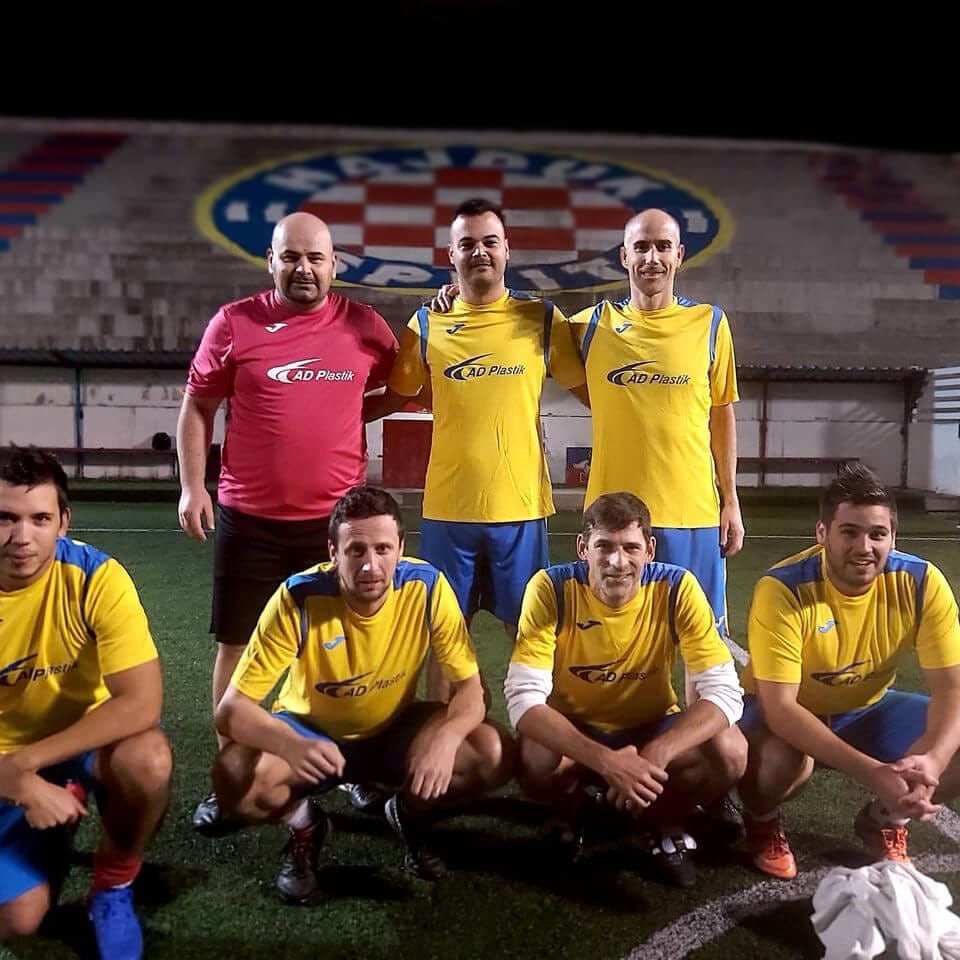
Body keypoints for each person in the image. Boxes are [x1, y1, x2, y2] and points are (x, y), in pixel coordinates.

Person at [177, 211, 399, 832]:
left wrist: (348, 409)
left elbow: (405, 386)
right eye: (291, 257)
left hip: (336, 529)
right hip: (248, 518)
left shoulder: (364, 326)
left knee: (341, 650)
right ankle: (236, 773)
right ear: (271, 261)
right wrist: (192, 486)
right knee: (237, 647)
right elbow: (197, 407)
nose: (304, 269)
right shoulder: (234, 323)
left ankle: (348, 768)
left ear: (335, 265)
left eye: (315, 258)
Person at [431, 207, 744, 640]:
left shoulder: (710, 324)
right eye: (641, 247)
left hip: (693, 514)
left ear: (679, 254)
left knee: (703, 642)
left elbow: (721, 413)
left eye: (662, 247)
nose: (651, 258)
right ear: (624, 256)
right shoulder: (589, 326)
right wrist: (457, 294)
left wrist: (731, 499)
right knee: (611, 642)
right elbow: (508, 317)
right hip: (613, 519)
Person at [210, 485, 514, 901]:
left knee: (490, 751)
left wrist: (445, 738)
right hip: (312, 733)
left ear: (400, 548)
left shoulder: (426, 587)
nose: (371, 565)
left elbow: (471, 690)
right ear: (333, 553)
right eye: (356, 550)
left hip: (393, 729)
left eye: (383, 549)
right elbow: (231, 711)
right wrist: (288, 743)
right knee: (235, 776)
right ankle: (306, 826)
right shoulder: (299, 597)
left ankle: (408, 812)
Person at [365, 197, 587, 701]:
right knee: (446, 637)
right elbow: (396, 395)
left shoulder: (541, 318)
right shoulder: (426, 323)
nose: (480, 252)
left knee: (532, 636)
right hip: (449, 508)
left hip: (520, 509)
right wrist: (340, 417)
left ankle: (544, 740)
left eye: (490, 242)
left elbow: (595, 392)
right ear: (451, 255)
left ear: (508, 249)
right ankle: (453, 742)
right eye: (467, 244)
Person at [503, 492, 746, 887]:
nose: (617, 561)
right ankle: (574, 810)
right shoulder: (552, 588)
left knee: (731, 750)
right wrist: (607, 762)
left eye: (631, 547)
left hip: (650, 726)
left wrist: (655, 753)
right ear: (583, 548)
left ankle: (661, 818)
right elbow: (523, 701)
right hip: (576, 731)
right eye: (604, 547)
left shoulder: (676, 587)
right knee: (535, 755)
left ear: (649, 550)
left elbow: (724, 693)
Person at [737, 463, 960, 880]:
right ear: (822, 534)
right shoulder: (783, 588)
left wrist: (932, 759)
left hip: (867, 706)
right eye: (850, 532)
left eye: (877, 534)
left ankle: (885, 820)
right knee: (781, 760)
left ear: (893, 537)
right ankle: (761, 819)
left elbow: (953, 689)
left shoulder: (922, 582)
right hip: (786, 712)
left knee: (954, 741)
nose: (864, 546)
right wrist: (875, 772)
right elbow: (781, 708)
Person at [0, 446, 172, 959]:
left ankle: (113, 886)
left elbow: (141, 702)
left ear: (64, 522)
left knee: (147, 760)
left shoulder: (96, 577)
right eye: (5, 518)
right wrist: (11, 777)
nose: (22, 537)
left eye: (39, 519)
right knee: (18, 918)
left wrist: (25, 765)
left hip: (76, 743)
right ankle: (50, 823)